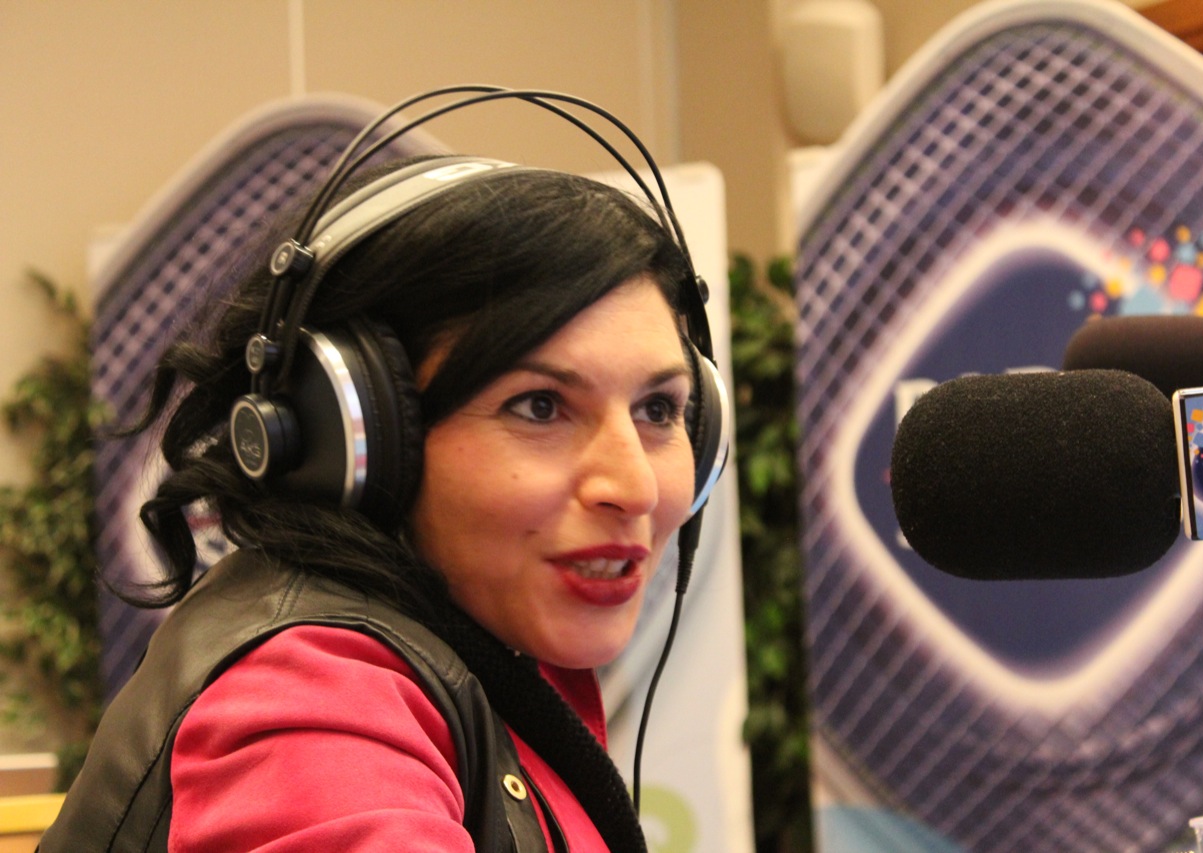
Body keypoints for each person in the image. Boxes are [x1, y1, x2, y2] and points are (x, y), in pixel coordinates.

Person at [39, 91, 727, 853]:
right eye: (539, 406)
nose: (635, 487)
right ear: (355, 429)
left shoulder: (486, 652)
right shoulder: (311, 703)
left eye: (659, 409)